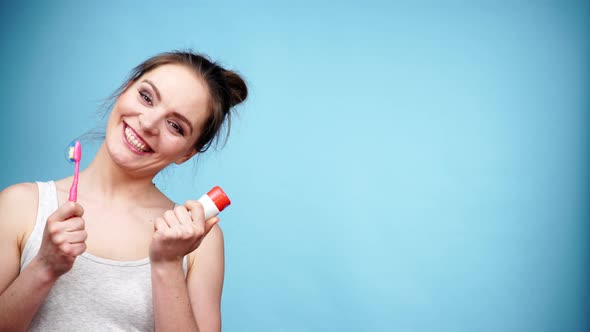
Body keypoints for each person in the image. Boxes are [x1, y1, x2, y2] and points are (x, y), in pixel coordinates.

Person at [0, 50, 248, 331]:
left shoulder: (199, 240)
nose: (148, 123)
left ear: (187, 153)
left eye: (175, 126)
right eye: (146, 97)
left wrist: (168, 263)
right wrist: (43, 267)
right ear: (126, 88)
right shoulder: (19, 206)